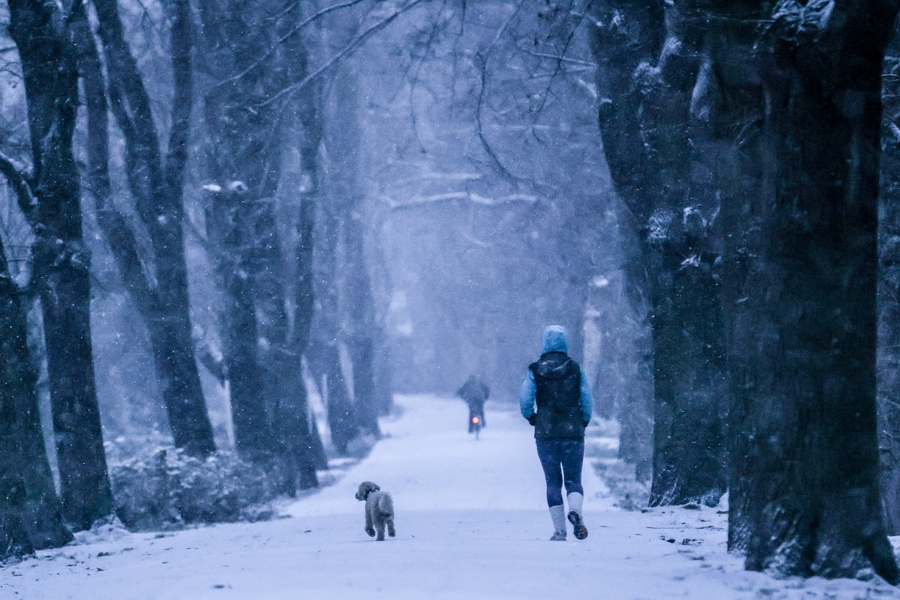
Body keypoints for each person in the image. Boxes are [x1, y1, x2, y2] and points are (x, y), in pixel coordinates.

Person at [520, 325, 593, 541]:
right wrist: (584, 419)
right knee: (574, 480)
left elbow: (525, 397)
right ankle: (576, 512)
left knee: (552, 482)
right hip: (572, 431)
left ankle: (560, 530)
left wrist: (530, 416)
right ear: (564, 343)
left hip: (545, 432)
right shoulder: (575, 368)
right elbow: (587, 397)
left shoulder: (535, 369)